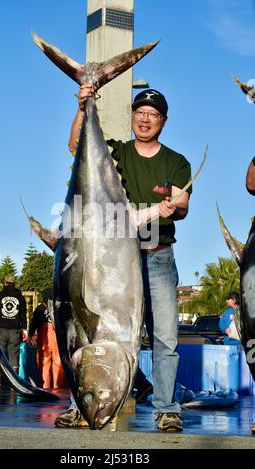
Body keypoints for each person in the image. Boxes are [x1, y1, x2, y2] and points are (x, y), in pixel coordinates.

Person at [55, 86, 192, 433]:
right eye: (140, 112)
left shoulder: (176, 162)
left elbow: (184, 203)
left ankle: (166, 409)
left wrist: (170, 206)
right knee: (92, 330)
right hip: (110, 261)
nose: (145, 119)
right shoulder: (114, 151)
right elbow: (75, 147)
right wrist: (83, 105)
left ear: (163, 121)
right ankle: (79, 404)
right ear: (133, 116)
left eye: (153, 114)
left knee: (164, 339)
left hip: (156, 257)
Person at [0, 275, 27, 385]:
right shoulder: (20, 297)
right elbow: (23, 315)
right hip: (14, 330)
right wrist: (24, 329)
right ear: (14, 284)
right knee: (14, 357)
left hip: (0, 330)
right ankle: (14, 384)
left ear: (5, 283)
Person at [27, 288, 66, 389]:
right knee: (58, 362)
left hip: (45, 338)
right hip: (58, 337)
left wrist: (31, 334)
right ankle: (58, 386)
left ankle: (45, 387)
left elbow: (34, 323)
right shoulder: (60, 307)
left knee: (44, 362)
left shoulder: (40, 308)